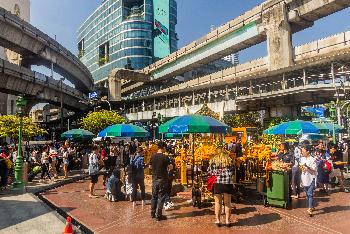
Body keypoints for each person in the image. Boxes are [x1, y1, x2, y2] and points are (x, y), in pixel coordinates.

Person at [208, 147, 234, 227]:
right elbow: (233, 171)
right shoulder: (229, 160)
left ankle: (218, 220)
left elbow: (209, 171)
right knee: (227, 203)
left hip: (217, 183)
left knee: (217, 202)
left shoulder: (213, 161)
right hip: (227, 183)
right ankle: (227, 221)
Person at [150, 141, 172, 221]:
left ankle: (152, 213)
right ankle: (158, 215)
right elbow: (171, 167)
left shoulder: (153, 156)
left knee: (154, 196)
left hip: (154, 178)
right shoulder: (165, 157)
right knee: (161, 196)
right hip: (162, 178)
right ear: (163, 147)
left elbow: (150, 167)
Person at [300, 144, 317, 217]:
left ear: (308, 151)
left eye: (303, 151)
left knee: (310, 194)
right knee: (307, 194)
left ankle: (310, 209)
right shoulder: (302, 159)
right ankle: (312, 206)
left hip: (311, 178)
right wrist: (301, 167)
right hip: (304, 178)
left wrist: (307, 167)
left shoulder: (312, 159)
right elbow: (301, 167)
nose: (302, 152)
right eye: (302, 151)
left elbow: (314, 169)